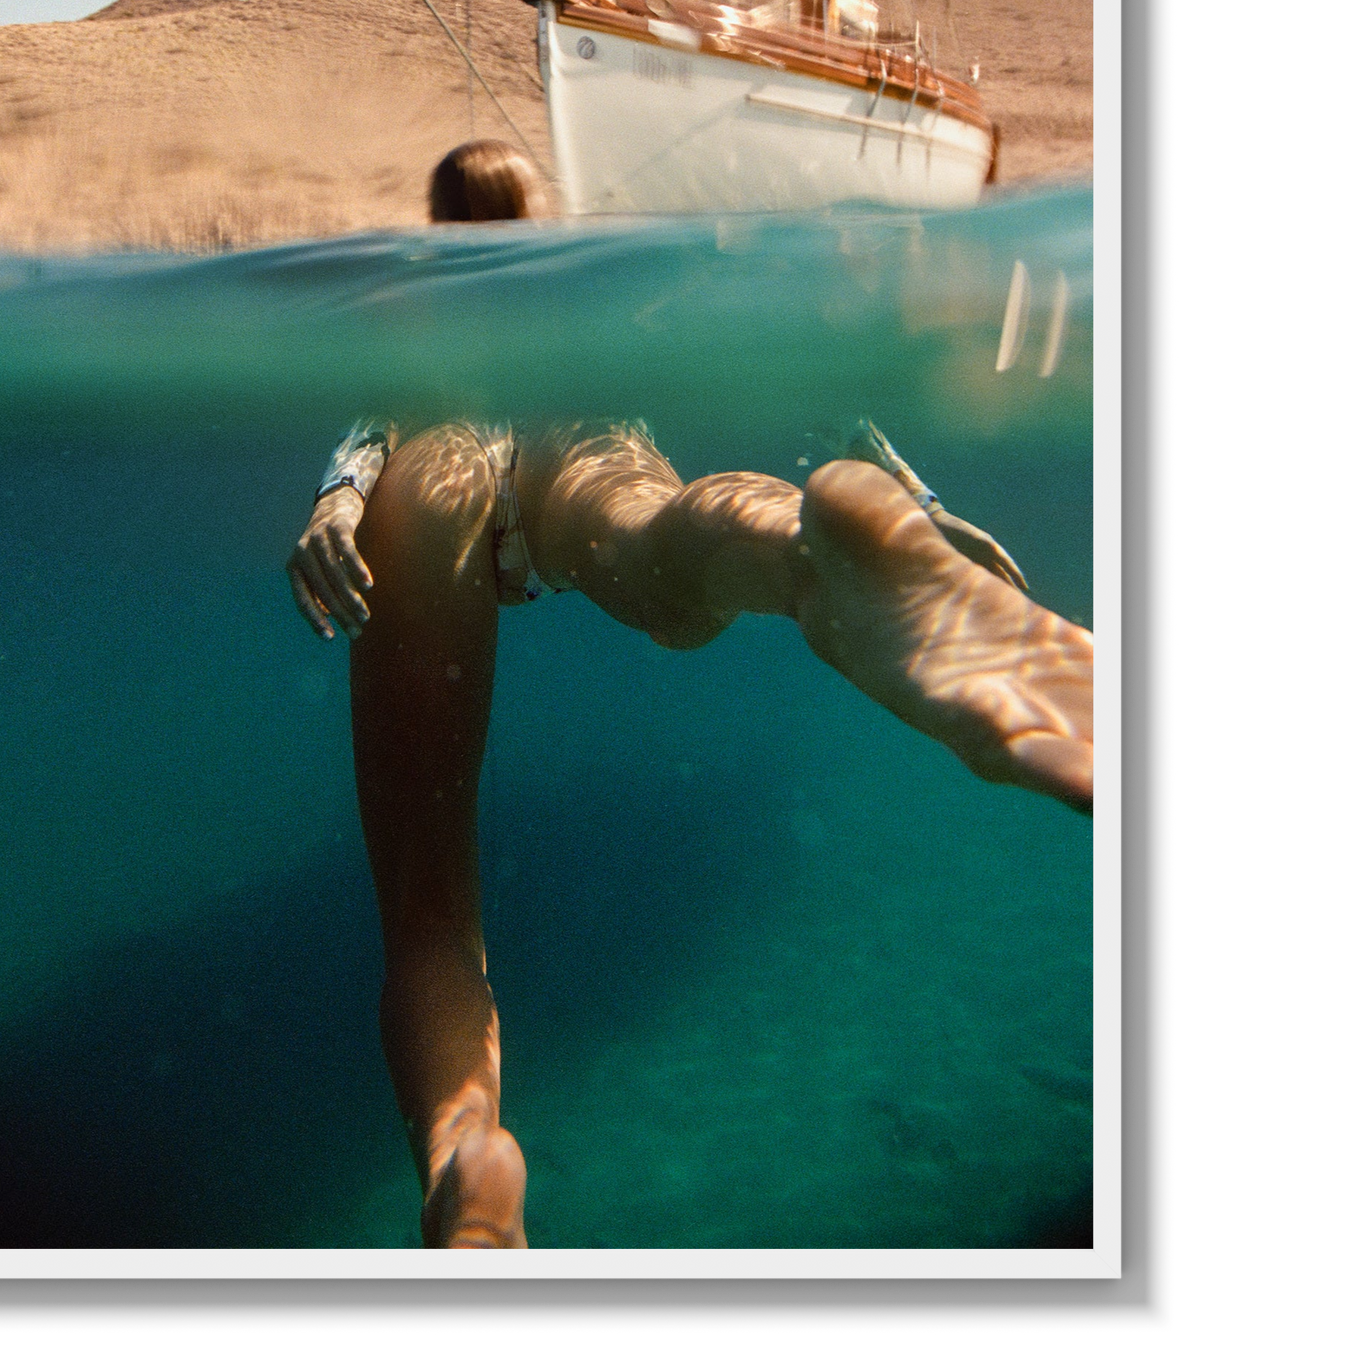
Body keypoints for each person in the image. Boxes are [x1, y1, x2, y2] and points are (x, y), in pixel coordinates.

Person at [285, 147, 1094, 1249]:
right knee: (661, 549)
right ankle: (811, 551)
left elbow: (371, 428)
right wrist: (910, 489)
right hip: (582, 433)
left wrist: (337, 502)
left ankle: (461, 1151)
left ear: (437, 221)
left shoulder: (420, 303)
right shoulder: (596, 281)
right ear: (542, 213)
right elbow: (794, 386)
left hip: (434, 465)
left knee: (430, 920)